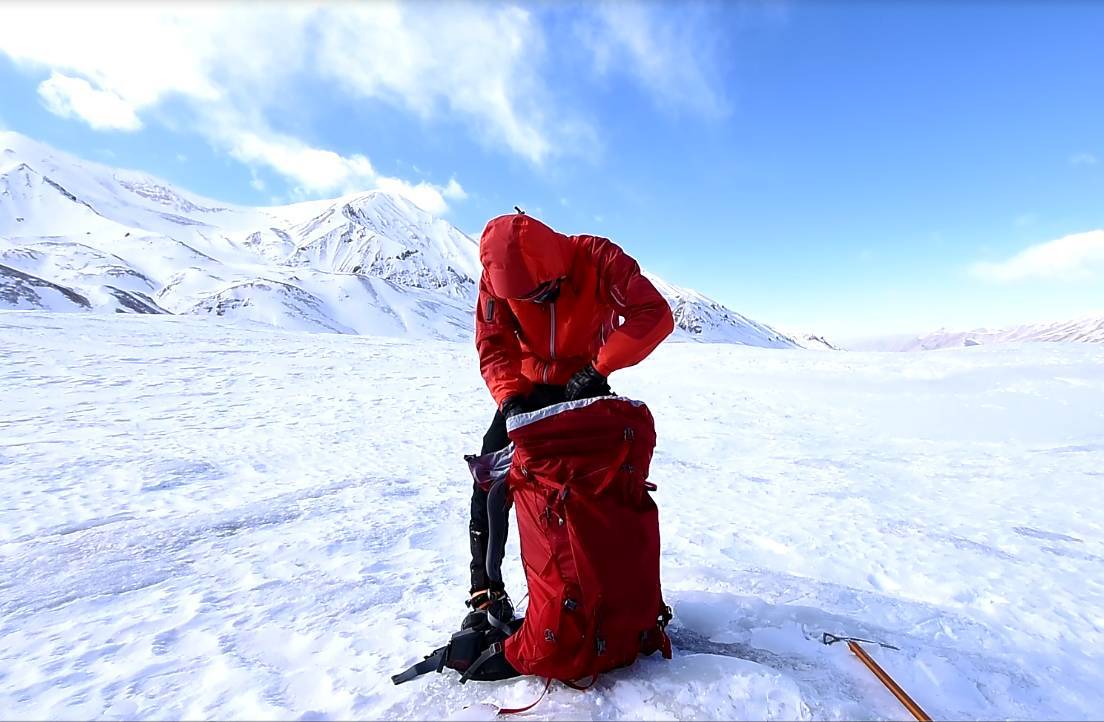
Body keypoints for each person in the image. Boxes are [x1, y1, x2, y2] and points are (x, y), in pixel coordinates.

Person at [463, 210, 675, 632]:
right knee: (492, 477)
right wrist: (509, 399)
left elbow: (653, 313)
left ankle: (617, 594)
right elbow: (494, 342)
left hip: (587, 386)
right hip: (525, 392)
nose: (537, 303)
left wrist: (599, 367)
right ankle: (485, 588)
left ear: (556, 269)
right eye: (525, 299)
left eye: (544, 293)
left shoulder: (597, 259)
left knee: (604, 489)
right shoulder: (496, 282)